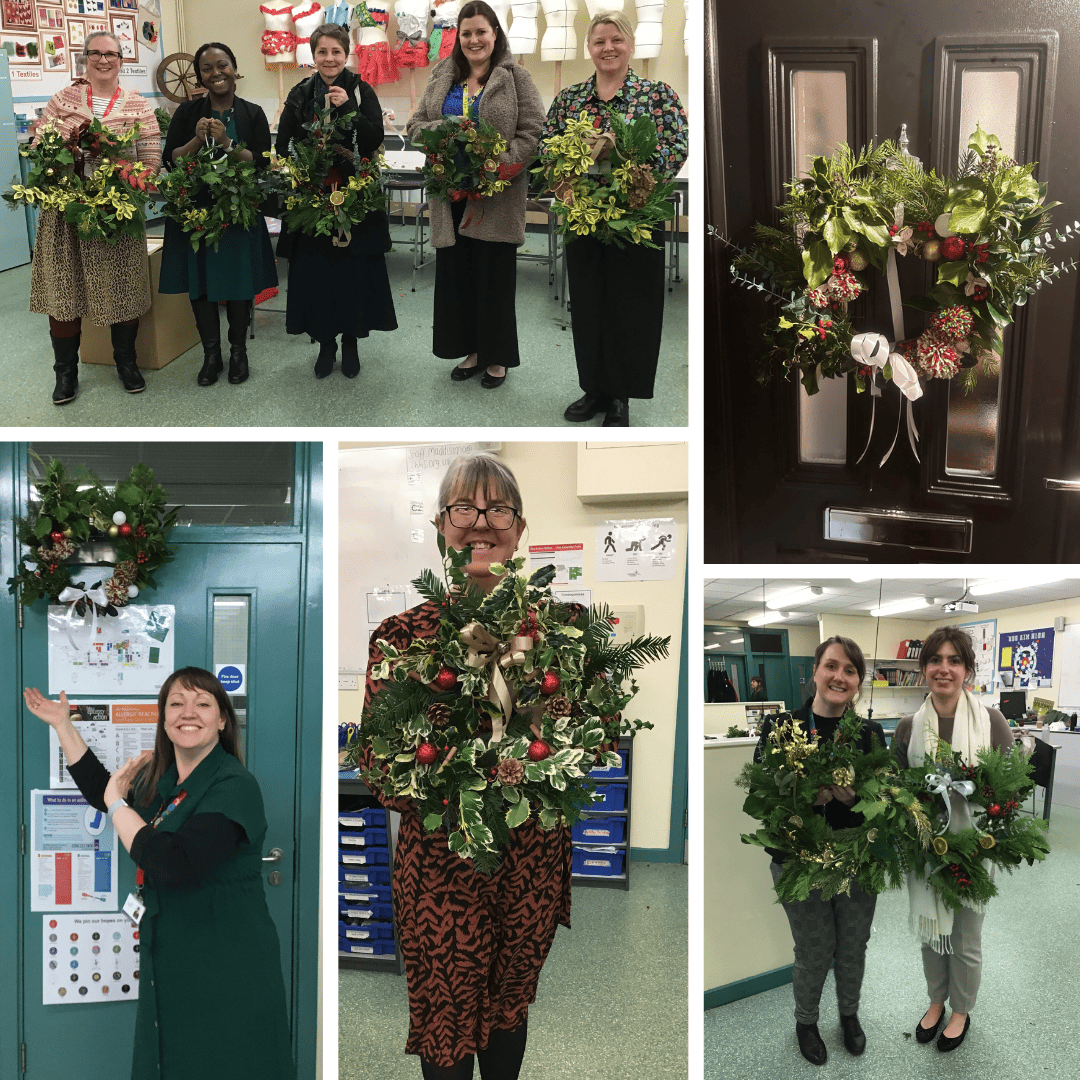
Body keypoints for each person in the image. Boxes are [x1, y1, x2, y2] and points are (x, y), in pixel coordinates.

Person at [359, 454, 568, 1079]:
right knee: (444, 1021)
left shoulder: (559, 635)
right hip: (442, 871)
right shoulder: (401, 638)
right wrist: (460, 775)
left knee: (509, 1010)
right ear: (440, 525)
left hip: (530, 862)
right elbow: (375, 762)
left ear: (520, 526)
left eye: (498, 508)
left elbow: (593, 740)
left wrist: (548, 754)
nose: (482, 522)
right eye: (464, 508)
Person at [23, 669, 294, 1079]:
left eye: (203, 703)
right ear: (164, 719)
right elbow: (104, 789)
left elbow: (174, 865)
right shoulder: (168, 784)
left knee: (229, 1064)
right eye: (176, 704)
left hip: (228, 964)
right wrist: (64, 725)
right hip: (174, 957)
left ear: (222, 719)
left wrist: (117, 806)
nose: (189, 713)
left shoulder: (234, 784)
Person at [540, 10, 688, 426]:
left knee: (632, 306)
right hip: (583, 218)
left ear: (631, 44)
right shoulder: (570, 99)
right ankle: (594, 389)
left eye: (616, 40)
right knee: (588, 303)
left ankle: (621, 394)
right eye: (599, 41)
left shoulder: (657, 95)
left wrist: (631, 167)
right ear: (589, 49)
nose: (608, 48)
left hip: (636, 218)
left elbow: (677, 145)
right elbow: (547, 147)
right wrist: (565, 175)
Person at [753, 636, 885, 1066]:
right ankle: (806, 1022)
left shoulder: (869, 734)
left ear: (858, 682)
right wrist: (805, 798)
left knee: (852, 945)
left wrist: (853, 801)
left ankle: (849, 1016)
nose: (839, 677)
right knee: (813, 949)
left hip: (856, 859)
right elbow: (760, 797)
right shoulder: (781, 728)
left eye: (850, 670)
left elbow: (885, 804)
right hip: (798, 861)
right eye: (831, 666)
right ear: (815, 671)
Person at [407, 2, 544, 389]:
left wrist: (497, 164)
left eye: (481, 31)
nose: (473, 40)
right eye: (466, 33)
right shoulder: (442, 76)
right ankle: (473, 350)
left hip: (495, 196)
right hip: (449, 195)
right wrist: (443, 129)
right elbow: (416, 124)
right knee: (459, 279)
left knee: (493, 279)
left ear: (495, 33)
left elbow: (533, 132)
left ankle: (497, 357)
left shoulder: (515, 77)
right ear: (458, 37)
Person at [891, 626, 1014, 1053]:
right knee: (931, 931)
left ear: (967, 669)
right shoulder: (909, 727)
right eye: (935, 661)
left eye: (954, 661)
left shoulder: (991, 720)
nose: (944, 669)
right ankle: (936, 1000)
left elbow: (1010, 785)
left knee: (965, 937)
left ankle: (961, 1009)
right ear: (924, 668)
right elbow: (895, 791)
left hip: (974, 850)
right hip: (926, 851)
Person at [30, 31, 161, 405]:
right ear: (84, 59)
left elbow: (151, 165)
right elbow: (39, 151)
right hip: (65, 215)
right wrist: (64, 154)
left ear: (121, 60)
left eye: (111, 54)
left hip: (115, 215)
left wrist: (119, 172)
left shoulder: (138, 105)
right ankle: (66, 374)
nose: (104, 60)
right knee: (64, 292)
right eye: (96, 54)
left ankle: (127, 363)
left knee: (123, 289)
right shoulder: (62, 100)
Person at [276, 22, 398, 379]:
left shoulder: (361, 92)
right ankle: (326, 345)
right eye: (322, 52)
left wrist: (348, 112)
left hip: (355, 202)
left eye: (336, 52)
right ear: (312, 55)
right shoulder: (300, 94)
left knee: (353, 274)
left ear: (347, 55)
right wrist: (307, 164)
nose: (329, 59)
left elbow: (376, 140)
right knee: (318, 274)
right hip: (313, 201)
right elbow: (283, 144)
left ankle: (351, 343)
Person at [158, 42, 278, 387]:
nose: (216, 73)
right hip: (194, 212)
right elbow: (172, 160)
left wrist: (226, 142)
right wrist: (196, 141)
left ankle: (238, 351)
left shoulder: (251, 113)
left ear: (234, 67)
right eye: (207, 68)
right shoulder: (186, 113)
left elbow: (261, 161)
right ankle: (211, 355)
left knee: (238, 283)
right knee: (201, 284)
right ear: (200, 76)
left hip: (237, 212)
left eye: (222, 65)